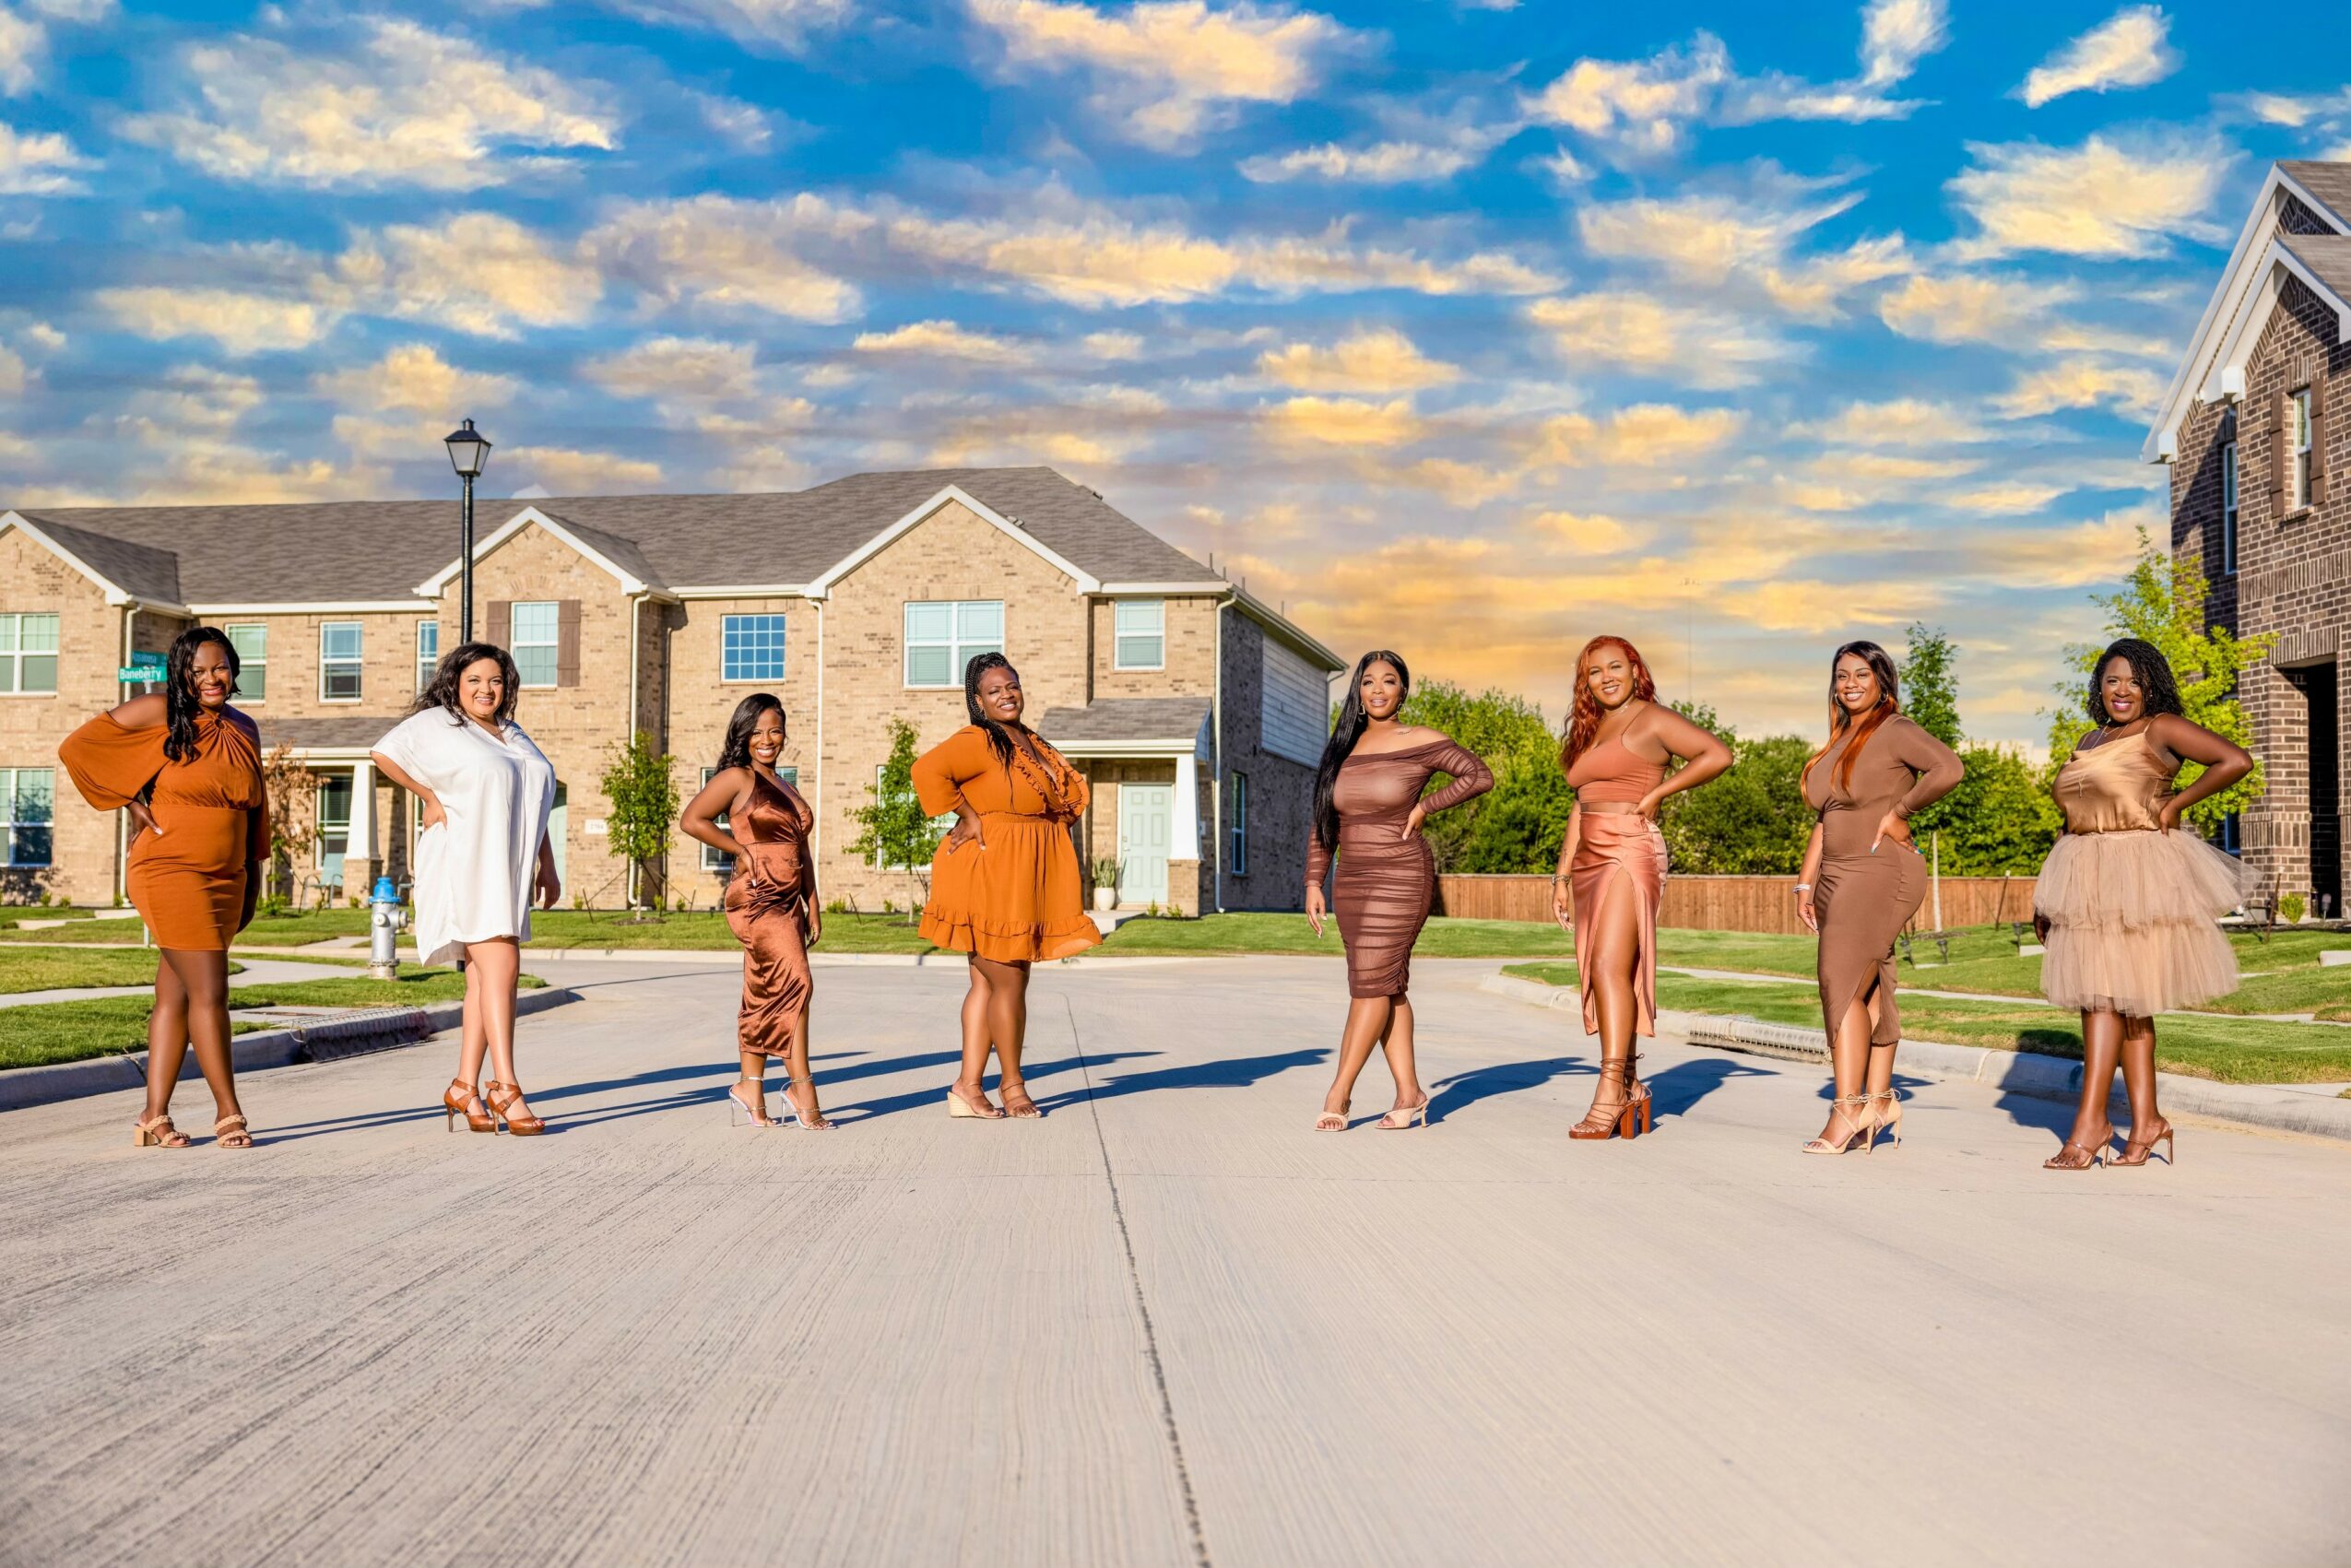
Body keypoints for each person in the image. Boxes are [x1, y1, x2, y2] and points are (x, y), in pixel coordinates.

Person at [2034, 638, 2253, 1171]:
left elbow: (2235, 759)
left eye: (2134, 680)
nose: (2123, 690)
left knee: (2106, 999)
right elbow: (2073, 816)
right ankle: (2148, 1122)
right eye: (2112, 681)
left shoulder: (2161, 728)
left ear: (2151, 683)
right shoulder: (2089, 737)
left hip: (2138, 875)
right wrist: (2049, 898)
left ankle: (2090, 1124)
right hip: (2082, 874)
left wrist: (2175, 804)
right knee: (2122, 1001)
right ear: (2099, 688)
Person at [59, 627, 266, 1149]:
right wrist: (130, 800)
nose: (210, 679)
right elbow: (77, 747)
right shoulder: (159, 711)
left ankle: (153, 1118)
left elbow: (256, 809)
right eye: (196, 671)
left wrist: (253, 878)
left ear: (234, 669)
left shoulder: (244, 726)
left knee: (173, 996)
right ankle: (230, 1114)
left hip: (227, 875)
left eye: (219, 667)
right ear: (181, 674)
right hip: (170, 868)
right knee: (210, 992)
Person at [371, 643, 561, 1138]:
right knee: (502, 967)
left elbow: (532, 802)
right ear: (456, 681)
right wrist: (429, 797)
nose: (486, 689)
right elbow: (383, 753)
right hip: (465, 860)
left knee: (484, 979)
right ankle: (507, 1087)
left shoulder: (512, 734)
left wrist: (547, 862)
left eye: (496, 680)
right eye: (475, 679)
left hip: (511, 867)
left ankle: (463, 1086)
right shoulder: (438, 723)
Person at [1550, 635, 1731, 1140]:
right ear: (1584, 681)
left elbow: (1717, 754)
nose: (1605, 677)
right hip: (1588, 855)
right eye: (1593, 672)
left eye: (1615, 667)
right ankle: (1628, 1084)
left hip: (1630, 848)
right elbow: (1581, 802)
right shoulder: (1591, 728)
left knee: (1610, 966)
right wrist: (1562, 875)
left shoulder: (1652, 718)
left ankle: (1610, 1091)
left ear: (1635, 669)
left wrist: (1659, 792)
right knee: (1606, 970)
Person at [1305, 650, 1492, 1131]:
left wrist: (1428, 805)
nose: (1379, 690)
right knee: (1387, 986)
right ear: (1359, 692)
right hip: (1352, 879)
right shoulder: (1342, 747)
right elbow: (1324, 823)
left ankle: (1339, 1092)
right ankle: (1410, 1094)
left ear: (1403, 691)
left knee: (1370, 985)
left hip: (1401, 874)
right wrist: (1313, 881)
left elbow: (1478, 776)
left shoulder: (1421, 740)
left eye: (1390, 681)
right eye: (1369, 681)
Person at [913, 653, 1099, 1119]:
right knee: (1009, 979)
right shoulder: (978, 739)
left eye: (1011, 685)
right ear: (978, 701)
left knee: (986, 983)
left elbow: (1063, 797)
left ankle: (967, 1089)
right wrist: (970, 815)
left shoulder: (1031, 740)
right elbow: (926, 771)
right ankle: (1012, 1085)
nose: (1006, 694)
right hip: (990, 865)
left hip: (1026, 866)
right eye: (994, 690)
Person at [1793, 642, 1963, 1154]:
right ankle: (1880, 1100)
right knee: (1867, 986)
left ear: (1882, 680)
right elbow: (1828, 816)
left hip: (1880, 869)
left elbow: (1949, 769)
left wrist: (1901, 811)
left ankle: (1846, 1109)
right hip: (1835, 874)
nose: (1849, 683)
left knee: (1838, 981)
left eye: (1861, 674)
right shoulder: (1841, 738)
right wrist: (1805, 879)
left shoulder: (1896, 730)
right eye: (1841, 675)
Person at [680, 693, 830, 1130]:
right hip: (758, 897)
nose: (767, 739)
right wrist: (739, 849)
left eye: (775, 730)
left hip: (790, 899)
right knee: (797, 982)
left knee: (764, 990)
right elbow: (693, 819)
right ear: (743, 735)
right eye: (758, 731)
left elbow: (800, 846)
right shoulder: (737, 777)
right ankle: (802, 1084)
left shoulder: (784, 783)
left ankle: (750, 1085)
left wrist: (813, 899)